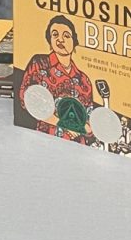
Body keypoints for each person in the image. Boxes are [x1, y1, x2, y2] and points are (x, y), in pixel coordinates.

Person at [17, 15, 96, 144]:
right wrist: (64, 123)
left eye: (66, 36)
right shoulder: (39, 63)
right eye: (55, 35)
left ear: (74, 41)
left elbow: (89, 122)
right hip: (46, 141)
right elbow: (28, 101)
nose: (60, 39)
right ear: (50, 40)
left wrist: (85, 128)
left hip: (78, 147)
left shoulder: (84, 80)